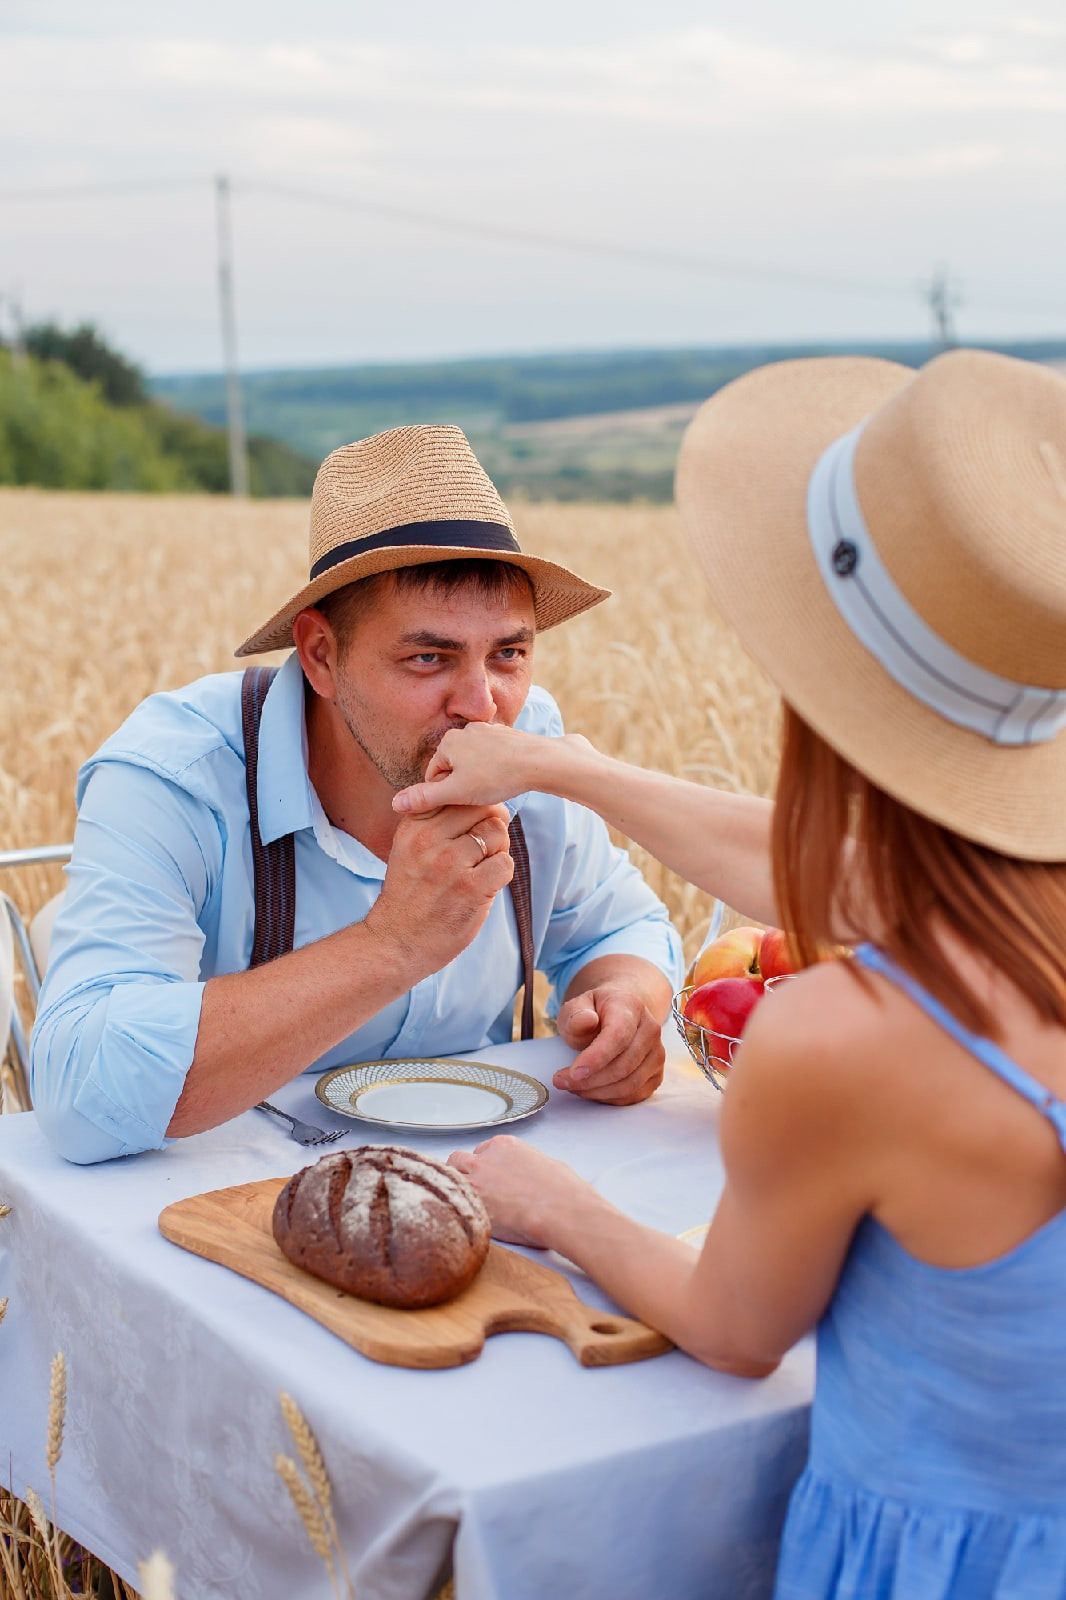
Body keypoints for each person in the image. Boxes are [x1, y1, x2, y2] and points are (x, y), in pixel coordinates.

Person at [393, 350, 1066, 1598]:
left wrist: (559, 1206)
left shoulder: (838, 1042)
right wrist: (553, 765)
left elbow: (736, 1330)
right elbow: (849, 881)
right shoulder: (1020, 910)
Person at [30, 424, 685, 1165]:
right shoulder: (178, 774)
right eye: (429, 657)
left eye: (508, 653)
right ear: (321, 656)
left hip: (490, 1193)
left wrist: (628, 1000)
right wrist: (391, 946)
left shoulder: (532, 744)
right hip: (220, 1213)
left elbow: (618, 932)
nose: (482, 705)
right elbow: (80, 1095)